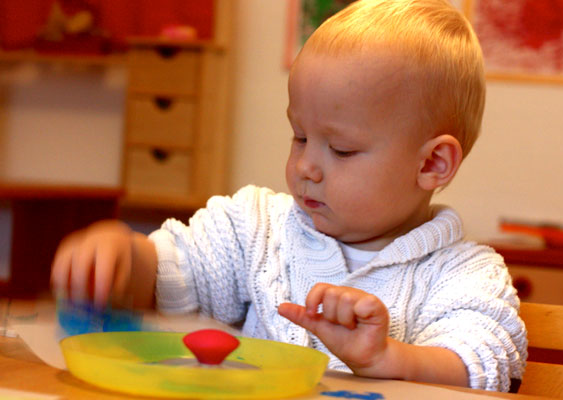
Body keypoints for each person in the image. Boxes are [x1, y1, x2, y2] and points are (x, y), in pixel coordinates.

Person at [51, 0, 527, 392]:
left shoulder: (464, 273)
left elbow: (484, 365)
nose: (305, 167)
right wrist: (120, 256)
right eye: (299, 137)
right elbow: (171, 273)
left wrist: (388, 356)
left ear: (431, 164)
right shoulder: (255, 227)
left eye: (340, 149)